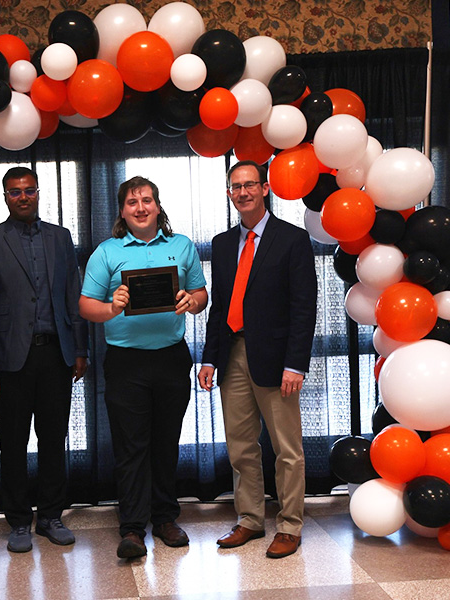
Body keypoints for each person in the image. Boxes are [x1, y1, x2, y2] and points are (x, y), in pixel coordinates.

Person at [79, 176, 207, 559]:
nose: (140, 207)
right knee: (131, 447)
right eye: (132, 202)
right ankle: (133, 528)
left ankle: (165, 518)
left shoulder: (180, 246)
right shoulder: (107, 252)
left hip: (171, 357)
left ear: (157, 205)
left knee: (166, 443)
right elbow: (87, 306)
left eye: (146, 200)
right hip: (125, 362)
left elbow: (201, 294)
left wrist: (192, 300)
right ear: (122, 211)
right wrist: (112, 307)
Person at [198, 161, 317, 559]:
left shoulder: (292, 239)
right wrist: (209, 357)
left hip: (277, 358)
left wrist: (295, 364)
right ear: (229, 193)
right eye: (236, 187)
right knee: (240, 447)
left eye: (250, 185)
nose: (243, 192)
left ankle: (289, 525)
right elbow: (219, 306)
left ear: (265, 189)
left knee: (287, 448)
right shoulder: (221, 242)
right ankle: (249, 519)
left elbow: (304, 307)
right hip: (231, 353)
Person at [0, 166, 88, 553]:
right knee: (12, 442)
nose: (22, 197)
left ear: (38, 193)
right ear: (5, 197)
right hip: (10, 360)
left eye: (29, 190)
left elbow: (74, 296)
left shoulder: (61, 237)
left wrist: (80, 349)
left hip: (56, 355)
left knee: (54, 439)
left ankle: (52, 516)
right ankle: (19, 521)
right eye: (14, 192)